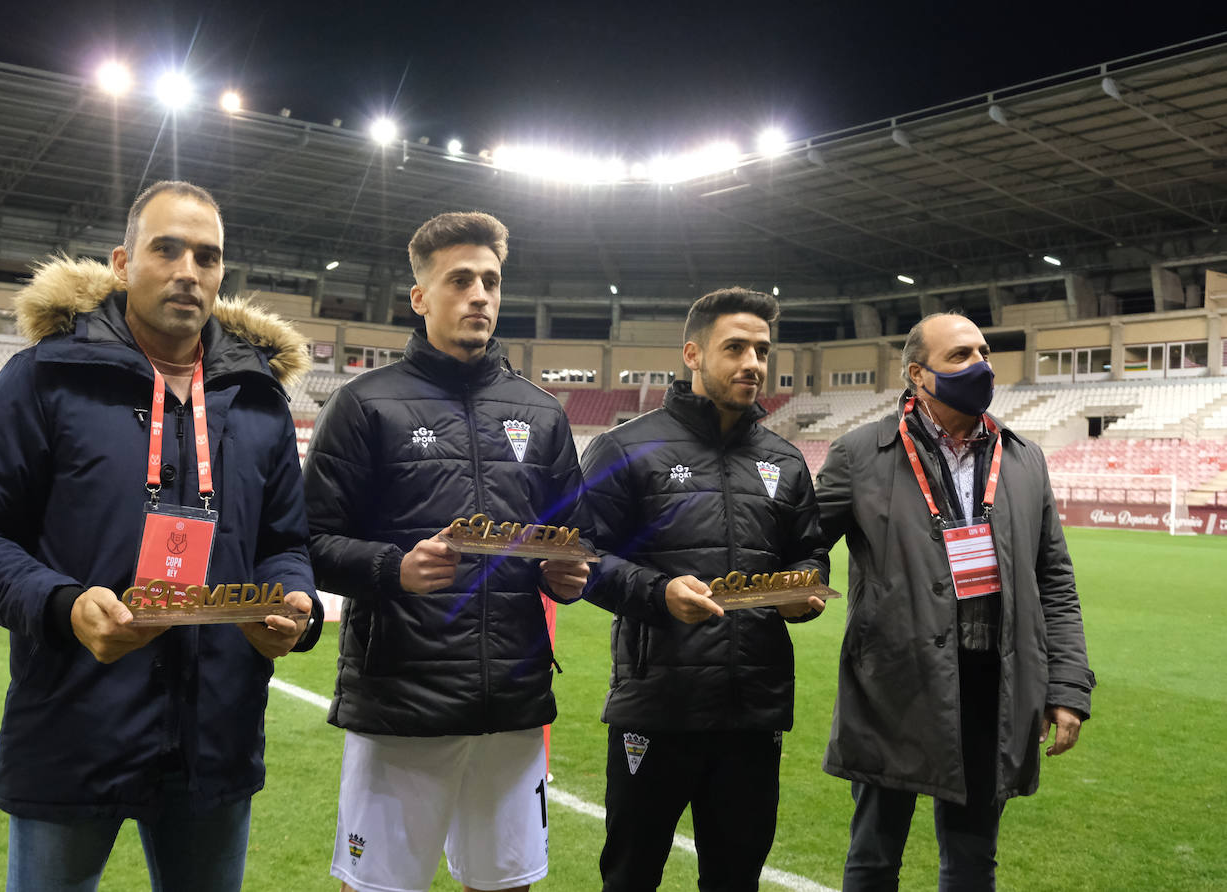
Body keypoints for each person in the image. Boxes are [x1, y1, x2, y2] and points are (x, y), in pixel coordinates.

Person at [0, 180, 322, 892]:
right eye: (165, 250)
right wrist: (63, 605)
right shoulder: (45, 379)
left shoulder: (259, 398)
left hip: (217, 737)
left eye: (207, 256)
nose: (187, 271)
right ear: (121, 262)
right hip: (74, 725)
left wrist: (294, 603)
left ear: (222, 272)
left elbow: (287, 541)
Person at [302, 211, 590, 892]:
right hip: (402, 701)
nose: (480, 295)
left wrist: (568, 577)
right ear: (421, 297)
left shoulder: (542, 412)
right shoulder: (364, 405)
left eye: (490, 280)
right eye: (460, 279)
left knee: (507, 885)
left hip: (513, 703)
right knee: (376, 887)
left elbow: (571, 540)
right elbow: (307, 542)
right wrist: (393, 570)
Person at [814, 311, 1095, 891]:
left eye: (984, 351)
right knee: (874, 856)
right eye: (961, 356)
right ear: (918, 374)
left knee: (972, 862)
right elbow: (803, 547)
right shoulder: (860, 454)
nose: (981, 365)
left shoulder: (1023, 458)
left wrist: (1066, 687)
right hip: (892, 685)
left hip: (994, 685)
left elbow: (1055, 583)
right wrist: (798, 587)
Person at [580, 287, 830, 892]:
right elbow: (581, 557)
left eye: (762, 350)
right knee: (631, 876)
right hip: (657, 704)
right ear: (693, 354)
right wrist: (657, 593)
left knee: (735, 878)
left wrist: (806, 591)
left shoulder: (785, 459)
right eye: (735, 347)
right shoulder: (626, 447)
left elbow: (809, 553)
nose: (753, 363)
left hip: (754, 709)